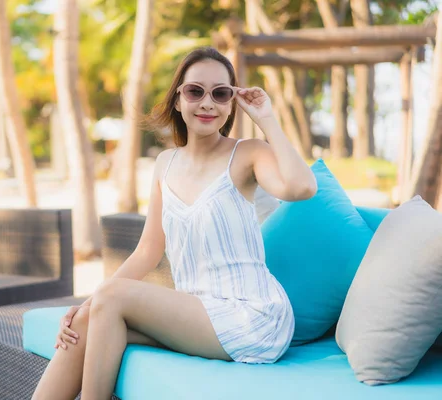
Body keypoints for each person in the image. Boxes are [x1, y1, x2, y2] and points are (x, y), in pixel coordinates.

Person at [32, 46, 317, 400]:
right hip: (197, 311)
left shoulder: (248, 153)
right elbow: (148, 251)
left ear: (232, 103)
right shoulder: (164, 164)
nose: (207, 103)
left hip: (252, 316)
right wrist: (85, 306)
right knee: (84, 324)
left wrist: (267, 118)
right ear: (178, 100)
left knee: (112, 295)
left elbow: (302, 187)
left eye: (221, 93)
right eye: (195, 91)